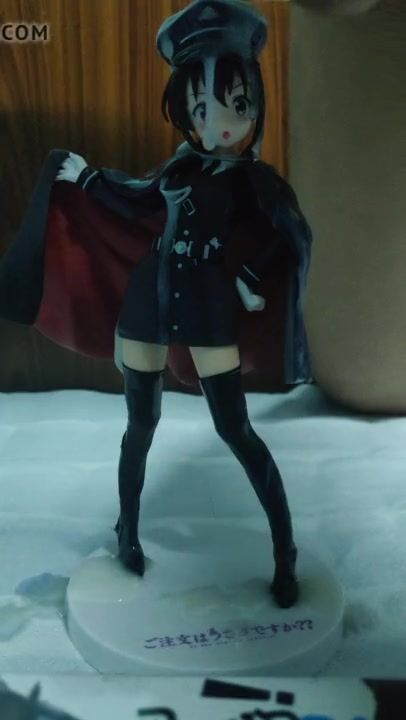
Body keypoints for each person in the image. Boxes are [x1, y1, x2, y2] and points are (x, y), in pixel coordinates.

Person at [0, 0, 312, 608]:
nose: (220, 122)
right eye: (201, 108)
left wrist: (249, 277)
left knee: (236, 429)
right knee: (139, 426)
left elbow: (287, 238)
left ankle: (285, 553)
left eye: (236, 102)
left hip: (209, 306)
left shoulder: (256, 182)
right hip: (148, 299)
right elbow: (137, 199)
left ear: (256, 102)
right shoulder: (178, 168)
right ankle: (128, 533)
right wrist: (88, 179)